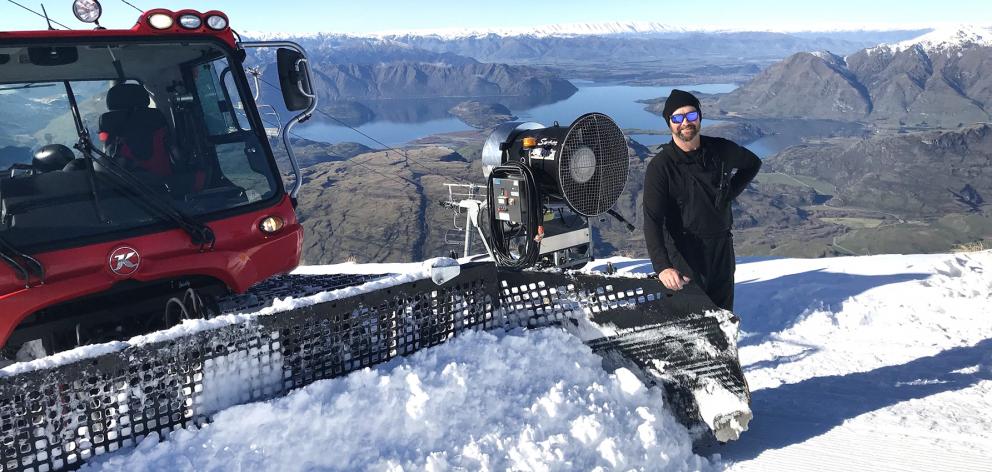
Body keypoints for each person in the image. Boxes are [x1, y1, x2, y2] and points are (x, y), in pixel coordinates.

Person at [643, 89, 761, 311]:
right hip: (684, 258)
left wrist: (730, 193)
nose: (685, 122)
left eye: (691, 115)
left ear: (699, 117)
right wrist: (663, 267)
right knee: (690, 324)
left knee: (723, 318)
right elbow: (652, 220)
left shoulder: (721, 150)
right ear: (669, 123)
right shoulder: (661, 167)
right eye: (677, 118)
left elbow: (752, 163)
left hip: (721, 252)